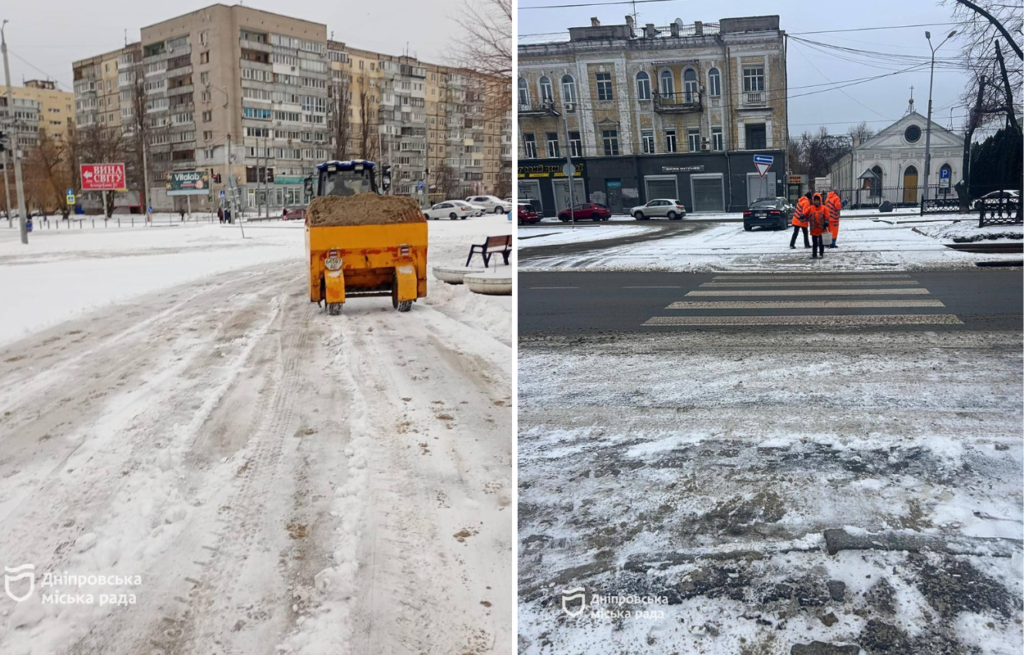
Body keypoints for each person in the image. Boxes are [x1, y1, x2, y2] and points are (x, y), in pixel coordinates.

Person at [808, 193, 828, 260]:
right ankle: (814, 254)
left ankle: (821, 254)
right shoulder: (811, 208)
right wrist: (802, 215)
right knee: (814, 243)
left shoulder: (824, 208)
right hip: (813, 228)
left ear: (820, 201)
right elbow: (805, 212)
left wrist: (826, 222)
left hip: (821, 228)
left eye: (817, 200)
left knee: (821, 243)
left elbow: (827, 216)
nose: (816, 201)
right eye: (815, 200)